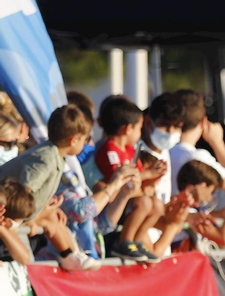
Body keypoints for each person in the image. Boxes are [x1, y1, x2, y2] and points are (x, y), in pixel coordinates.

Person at [0, 104, 100, 271]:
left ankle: (71, 254)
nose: (85, 143)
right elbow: (21, 192)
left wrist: (45, 207)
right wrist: (34, 219)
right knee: (50, 218)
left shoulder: (54, 155)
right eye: (84, 139)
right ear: (73, 140)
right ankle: (69, 255)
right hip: (10, 213)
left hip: (19, 212)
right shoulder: (46, 158)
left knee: (53, 216)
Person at [95, 95, 162, 261]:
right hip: (117, 201)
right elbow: (118, 178)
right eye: (139, 129)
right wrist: (147, 174)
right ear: (128, 129)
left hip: (131, 196)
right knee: (145, 203)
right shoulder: (109, 150)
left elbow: (139, 176)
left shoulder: (131, 151)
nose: (140, 134)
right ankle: (124, 241)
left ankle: (137, 241)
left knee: (158, 206)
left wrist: (152, 179)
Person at [148, 161, 225, 258]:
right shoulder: (183, 212)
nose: (210, 198)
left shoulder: (191, 211)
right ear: (194, 187)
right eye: (210, 192)